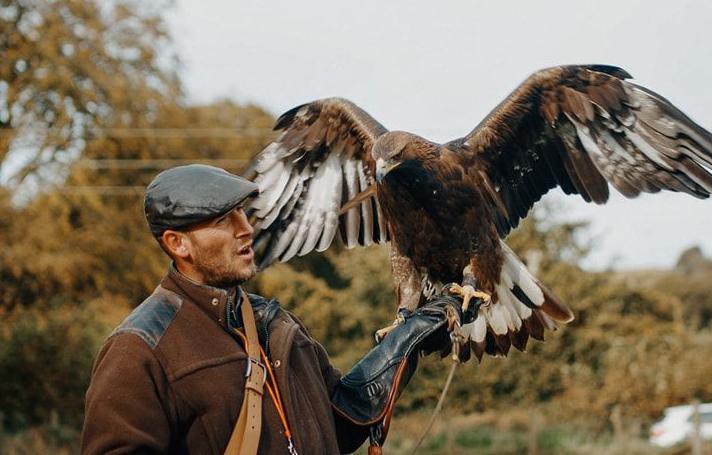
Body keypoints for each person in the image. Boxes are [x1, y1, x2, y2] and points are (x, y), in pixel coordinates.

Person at [81, 164, 464, 454]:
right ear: (178, 244)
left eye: (242, 213)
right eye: (222, 220)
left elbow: (340, 421)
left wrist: (406, 342)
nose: (244, 228)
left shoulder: (275, 323)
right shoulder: (140, 348)